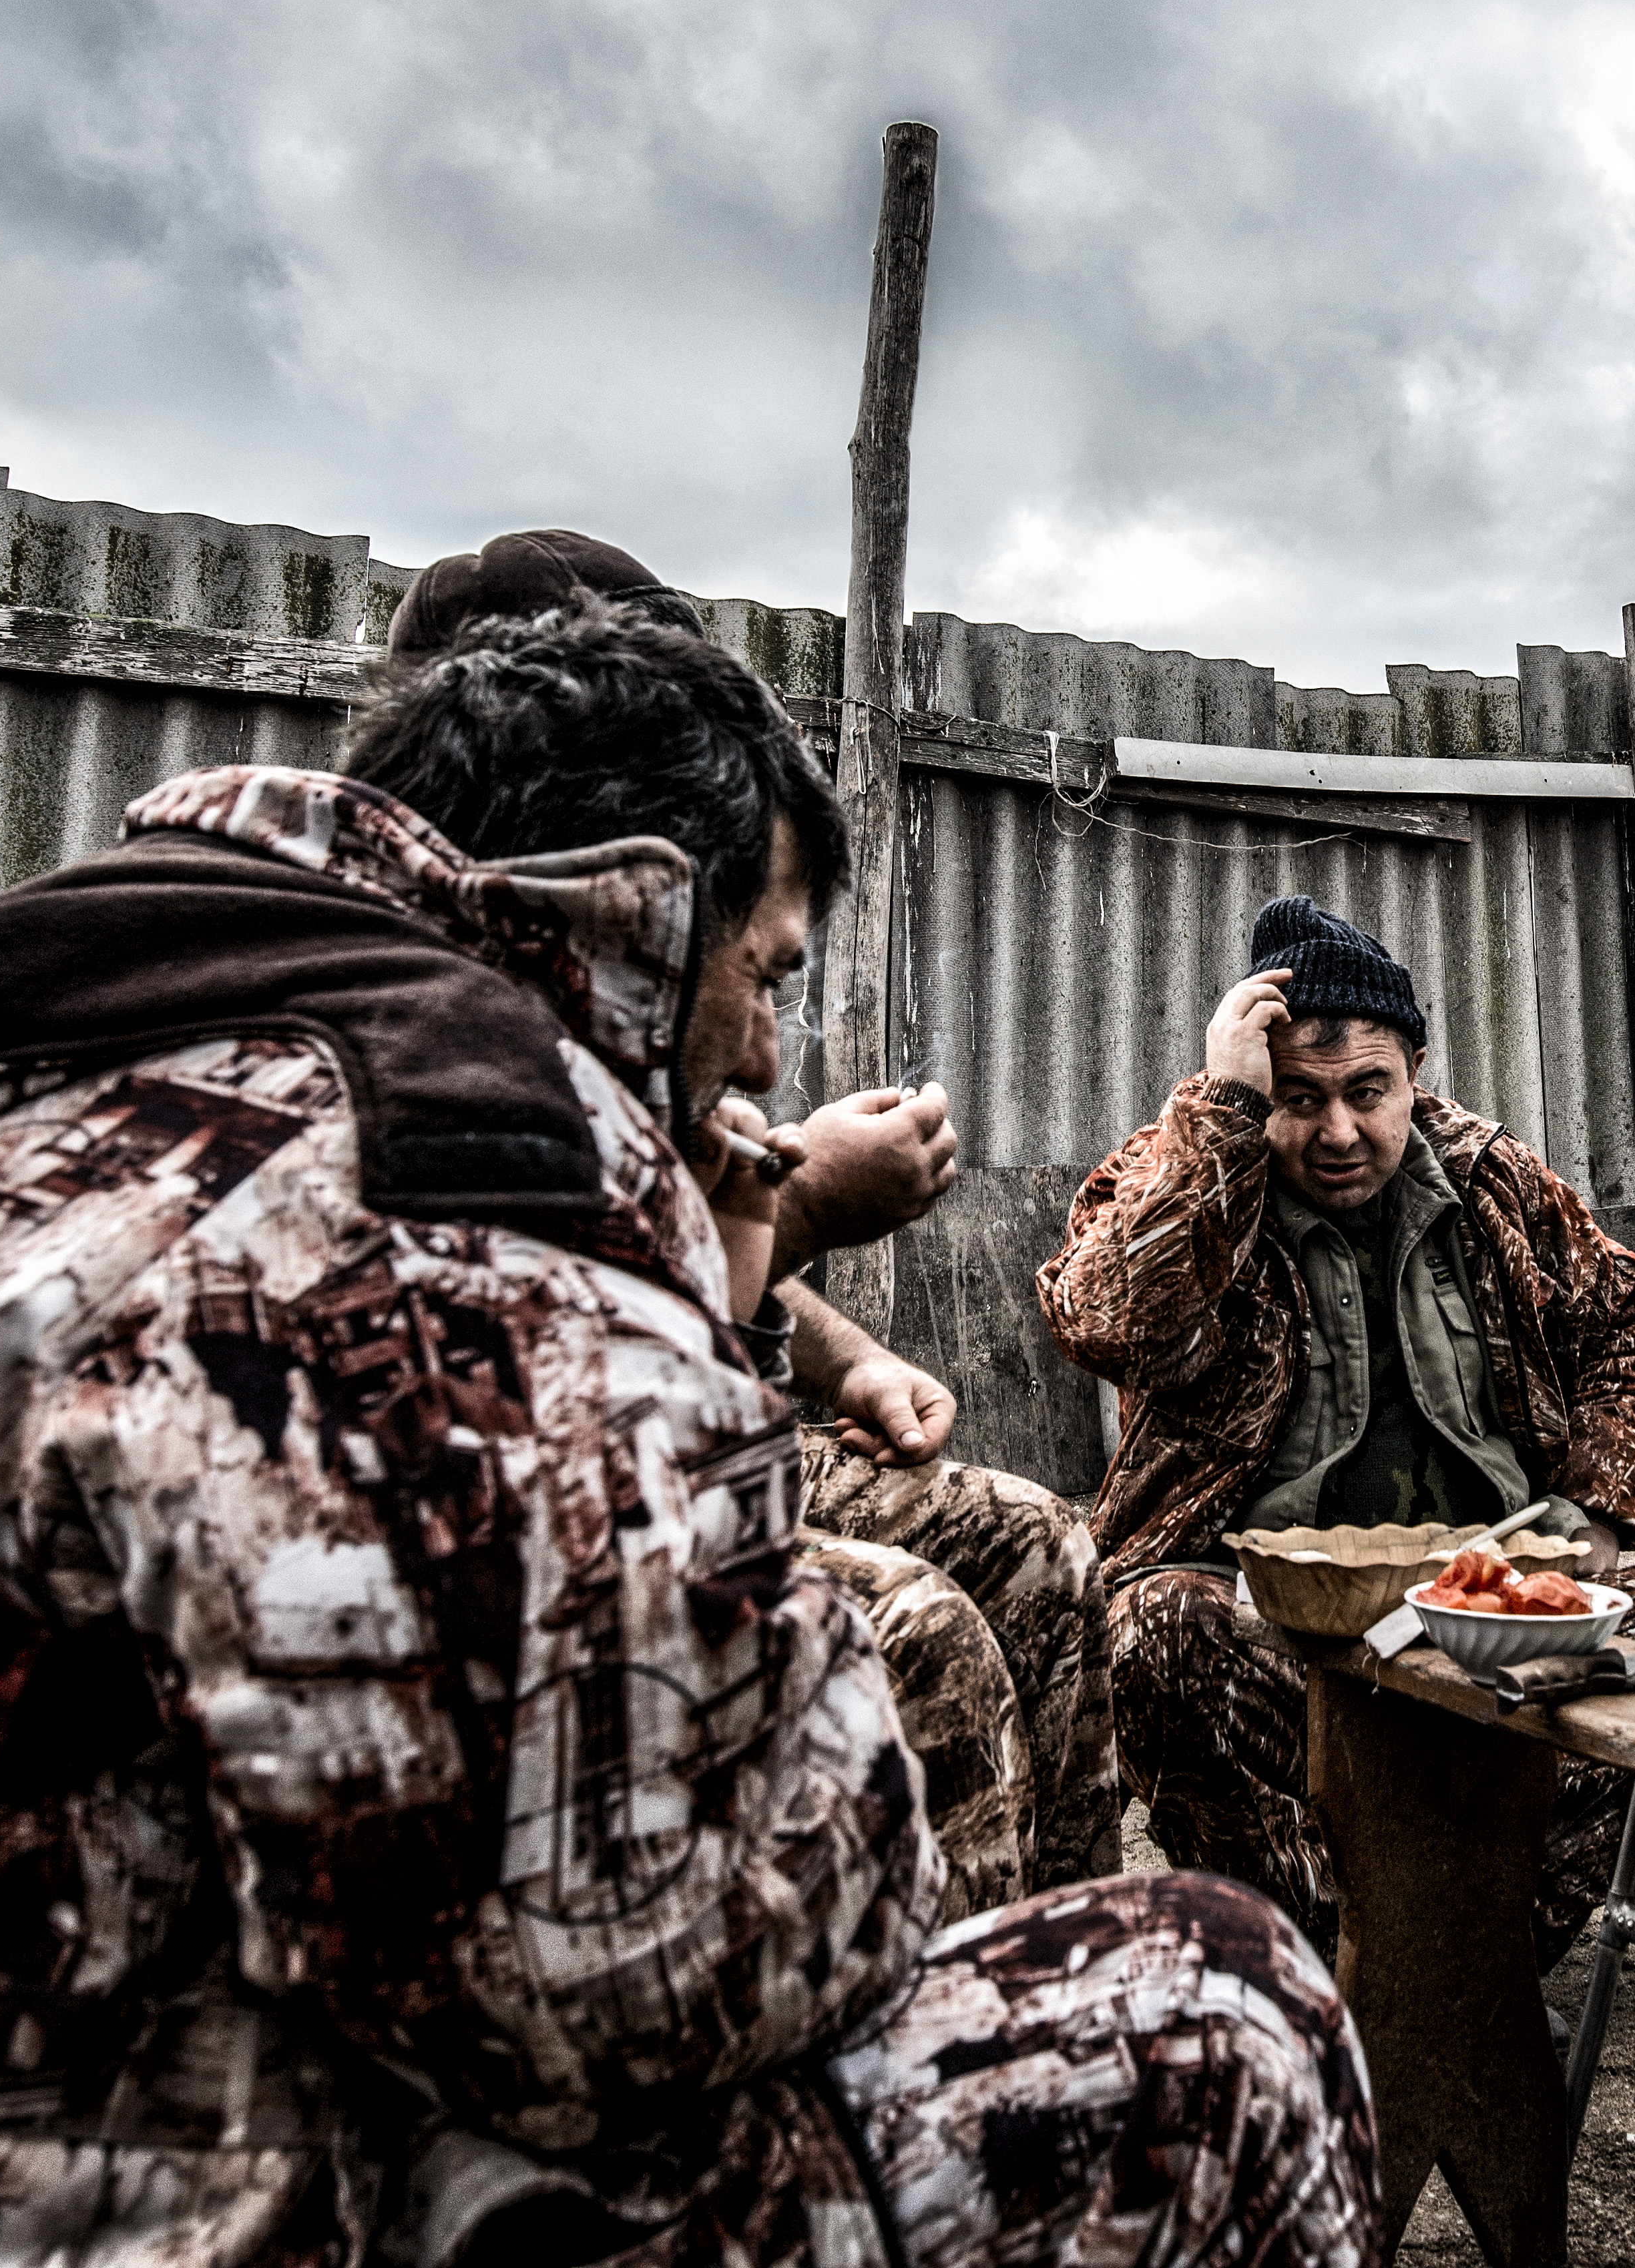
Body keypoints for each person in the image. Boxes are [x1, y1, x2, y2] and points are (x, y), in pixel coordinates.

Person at [0, 609, 1373, 2268]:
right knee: (1219, 2019)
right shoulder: (427, 1189)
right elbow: (634, 1976)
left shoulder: (64, 1095)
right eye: (775, 973)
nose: (774, 1058)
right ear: (638, 912)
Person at [389, 531, 1123, 1916]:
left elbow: (693, 1280)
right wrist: (806, 1198)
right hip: (538, 1531)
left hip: (679, 1438)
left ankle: (1052, 1942)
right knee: (917, 1639)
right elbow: (578, 1403)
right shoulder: (453, 995)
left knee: (1035, 1540)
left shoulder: (628, 993)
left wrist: (843, 1359)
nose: (771, 1053)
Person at [1038, 894, 1635, 1962]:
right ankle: (1321, 1967)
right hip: (1260, 1620)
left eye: (1366, 1093)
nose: (1338, 1132)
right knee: (1156, 1641)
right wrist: (1220, 1116)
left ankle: (1458, 1961)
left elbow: (1627, 1325)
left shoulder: (1495, 1181)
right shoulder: (1181, 1169)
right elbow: (1098, 1317)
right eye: (1297, 1099)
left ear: (1415, 1075)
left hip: (1486, 1613)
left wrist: (1598, 1515)